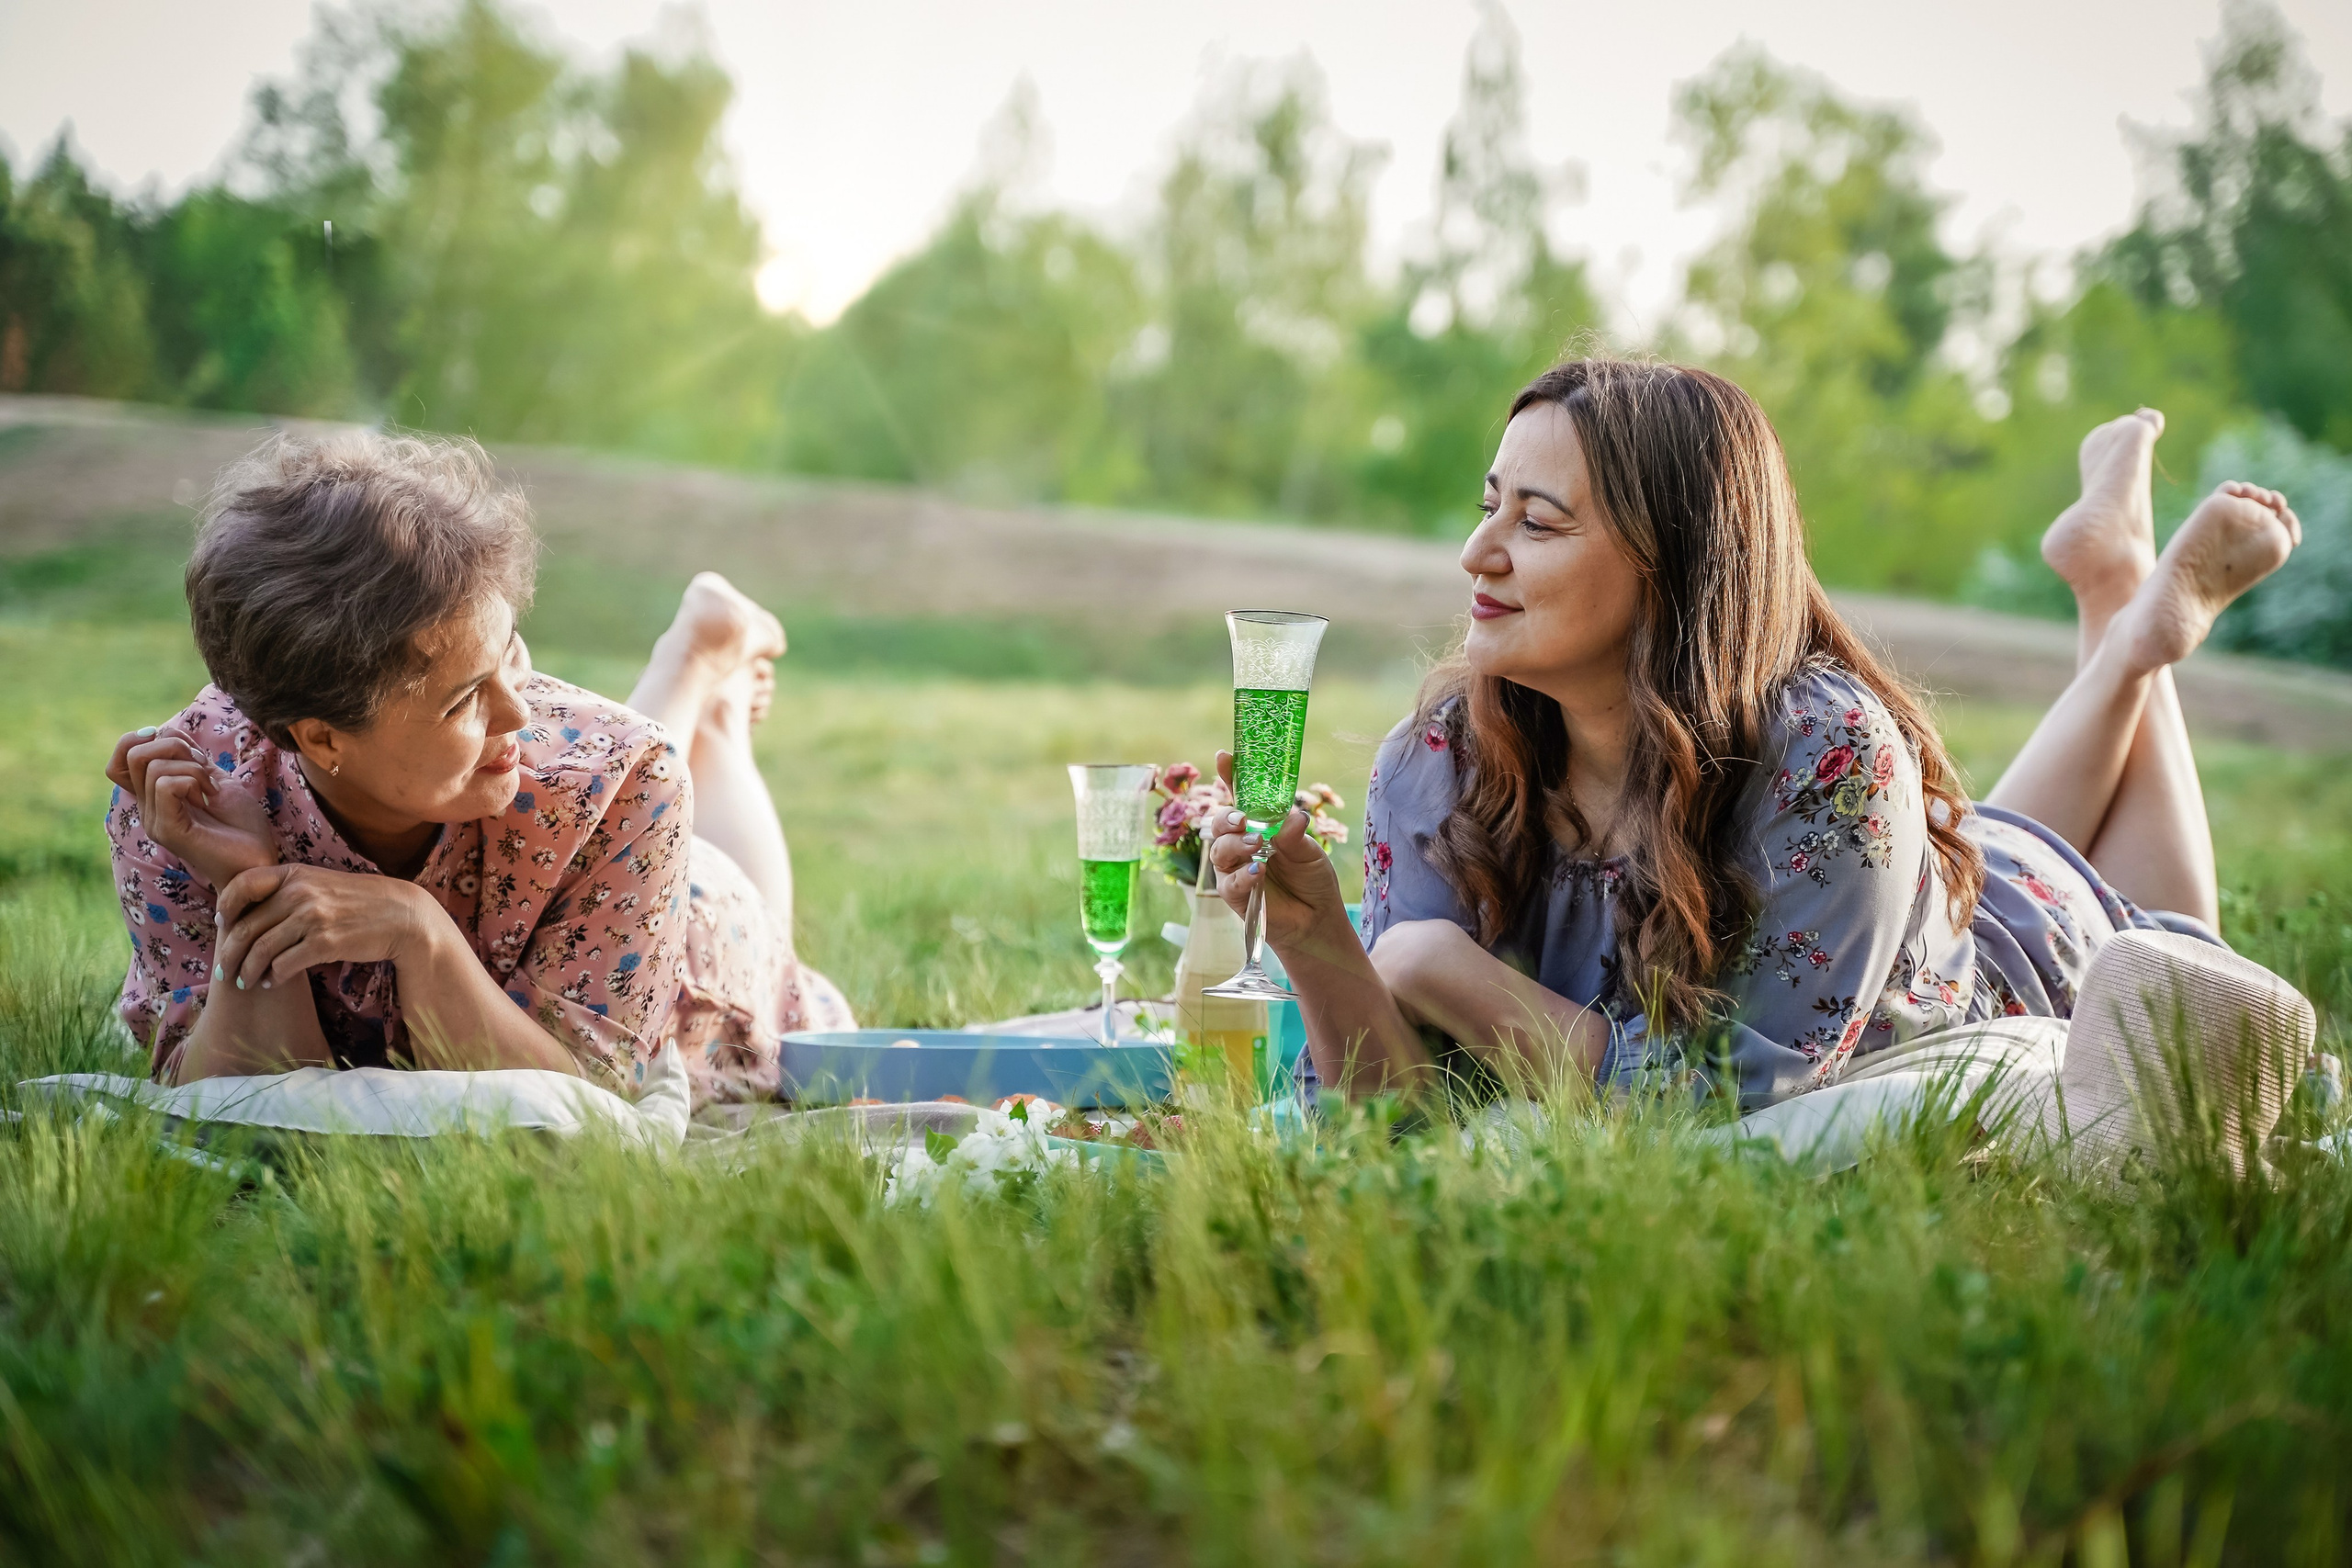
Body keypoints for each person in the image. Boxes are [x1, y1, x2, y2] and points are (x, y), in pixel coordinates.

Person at [1206, 359, 2302, 1108]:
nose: (1475, 552)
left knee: (2177, 956)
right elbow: (1385, 1117)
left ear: (1675, 567)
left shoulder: (1829, 756)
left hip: (2008, 935)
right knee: (1994, 827)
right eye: (1489, 503)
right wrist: (1319, 943)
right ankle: (2113, 593)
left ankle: (2129, 617)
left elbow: (1735, 1104)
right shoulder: (1438, 761)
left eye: (1536, 521)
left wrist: (1435, 962)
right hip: (1912, 864)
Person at [104, 431, 853, 1105]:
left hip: (683, 927)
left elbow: (584, 1098)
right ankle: (699, 668)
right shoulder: (186, 803)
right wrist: (247, 883)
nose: (516, 714)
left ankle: (701, 673)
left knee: (710, 860)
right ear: (320, 739)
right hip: (568, 814)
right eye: (465, 697)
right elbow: (253, 1102)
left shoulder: (626, 777)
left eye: (511, 654)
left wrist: (417, 929)